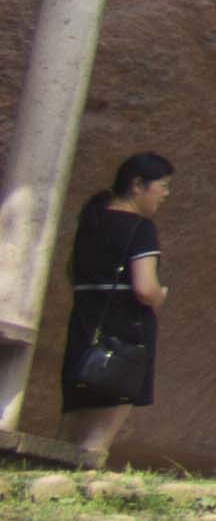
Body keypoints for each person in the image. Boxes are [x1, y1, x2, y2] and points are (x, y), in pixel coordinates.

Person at [56, 151, 171, 470]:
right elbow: (145, 288)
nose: (165, 194)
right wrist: (161, 295)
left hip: (84, 328)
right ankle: (84, 490)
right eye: (162, 185)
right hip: (124, 336)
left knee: (69, 430)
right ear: (138, 185)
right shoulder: (140, 228)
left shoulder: (90, 222)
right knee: (96, 439)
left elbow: (71, 272)